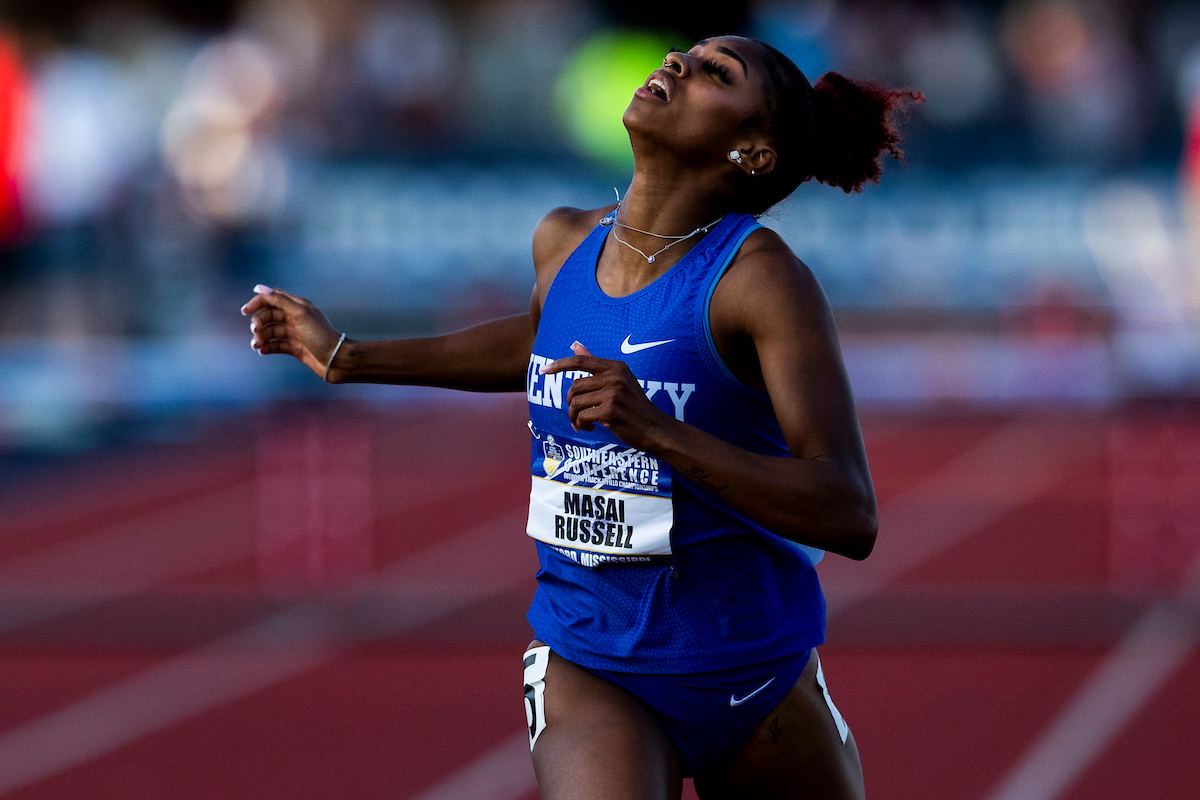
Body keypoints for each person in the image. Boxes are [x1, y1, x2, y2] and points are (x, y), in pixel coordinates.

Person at [242, 36, 919, 800]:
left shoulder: (760, 282)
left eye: (716, 74)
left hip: (754, 671)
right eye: (686, 53)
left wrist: (657, 430)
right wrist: (348, 356)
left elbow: (847, 510)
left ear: (753, 153)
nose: (678, 64)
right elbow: (539, 341)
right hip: (591, 661)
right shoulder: (563, 239)